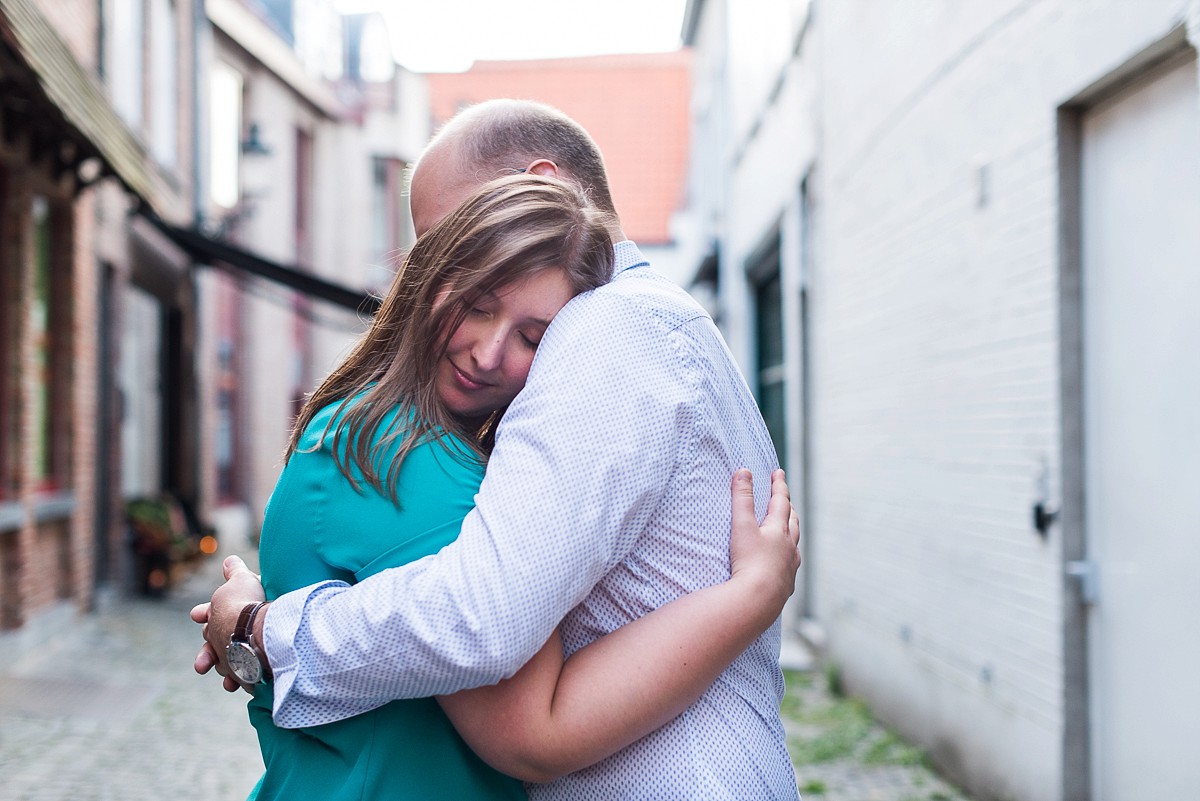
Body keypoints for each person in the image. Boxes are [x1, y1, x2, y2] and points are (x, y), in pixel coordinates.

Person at [196, 99, 802, 799]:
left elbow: (484, 615)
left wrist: (260, 631)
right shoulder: (644, 326)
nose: (428, 267)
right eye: (448, 269)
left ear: (548, 190)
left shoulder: (606, 328)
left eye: (445, 235)